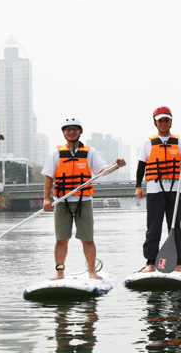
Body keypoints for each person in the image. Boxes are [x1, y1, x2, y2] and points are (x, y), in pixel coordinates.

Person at [42, 117, 125, 280]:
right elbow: (48, 177)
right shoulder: (56, 153)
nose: (71, 132)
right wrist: (46, 198)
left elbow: (102, 170)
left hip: (84, 201)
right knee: (61, 240)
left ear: (80, 132)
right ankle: (59, 273)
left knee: (87, 239)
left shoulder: (90, 152)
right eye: (68, 129)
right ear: (64, 133)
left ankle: (92, 272)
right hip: (61, 201)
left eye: (74, 129)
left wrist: (115, 166)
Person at [135, 106, 181, 273]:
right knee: (153, 227)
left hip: (174, 189)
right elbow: (141, 167)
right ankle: (151, 262)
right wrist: (138, 186)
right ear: (156, 122)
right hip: (154, 190)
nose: (164, 123)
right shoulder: (147, 143)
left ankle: (177, 262)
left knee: (175, 226)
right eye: (160, 120)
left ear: (171, 121)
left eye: (166, 120)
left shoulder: (180, 142)